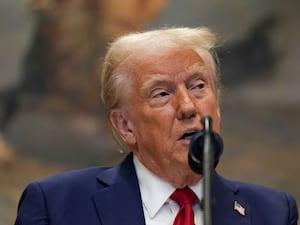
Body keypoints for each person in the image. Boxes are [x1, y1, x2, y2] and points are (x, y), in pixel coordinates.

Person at [14, 27, 298, 225]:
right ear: (125, 125)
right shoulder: (57, 206)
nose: (188, 106)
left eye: (199, 86)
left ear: (218, 106)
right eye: (162, 93)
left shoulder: (272, 213)